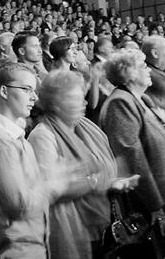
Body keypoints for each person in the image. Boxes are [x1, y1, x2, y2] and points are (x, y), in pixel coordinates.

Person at [0, 64, 74, 258]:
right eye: (26, 89)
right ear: (4, 91)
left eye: (34, 91)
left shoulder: (14, 136)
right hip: (17, 250)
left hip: (30, 245)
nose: (34, 97)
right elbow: (18, 205)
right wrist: (53, 182)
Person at [99, 48, 165, 253]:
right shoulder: (120, 103)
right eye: (142, 66)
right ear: (127, 74)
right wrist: (154, 206)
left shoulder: (142, 100)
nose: (148, 69)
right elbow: (132, 157)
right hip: (150, 207)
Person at [29, 69, 123, 259]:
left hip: (102, 223)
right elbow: (54, 189)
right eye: (77, 99)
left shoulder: (85, 126)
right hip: (73, 229)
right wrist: (97, 181)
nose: (85, 103)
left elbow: (100, 170)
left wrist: (110, 180)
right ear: (57, 104)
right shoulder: (42, 136)